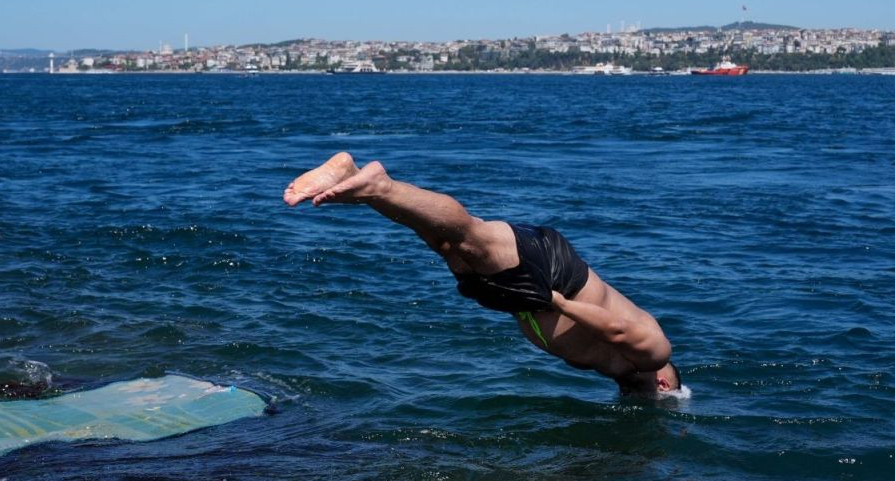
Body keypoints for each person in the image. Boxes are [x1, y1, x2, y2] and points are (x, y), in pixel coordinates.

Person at [283, 152, 681, 396]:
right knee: (469, 235)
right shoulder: (655, 357)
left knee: (443, 242)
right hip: (556, 279)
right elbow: (617, 331)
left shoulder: (620, 369)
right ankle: (379, 184)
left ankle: (358, 182)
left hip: (525, 299)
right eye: (660, 397)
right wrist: (557, 301)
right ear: (665, 384)